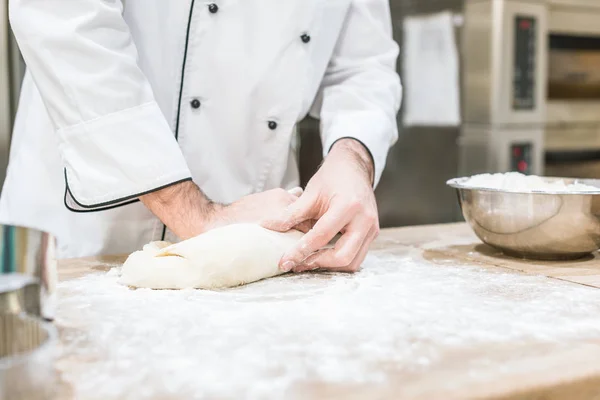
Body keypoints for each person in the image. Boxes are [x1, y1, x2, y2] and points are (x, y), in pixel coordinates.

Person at [1, 0, 401, 273]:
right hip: (81, 238)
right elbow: (66, 24)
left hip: (251, 242)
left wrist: (353, 157)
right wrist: (194, 213)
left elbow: (364, 66)